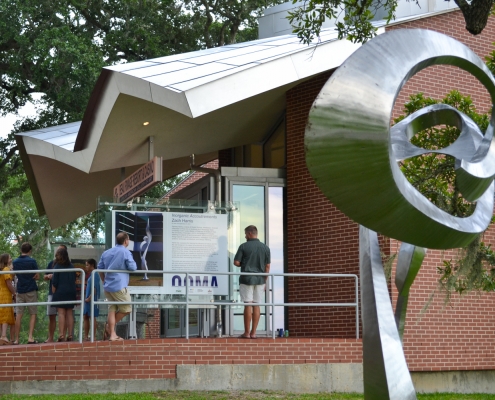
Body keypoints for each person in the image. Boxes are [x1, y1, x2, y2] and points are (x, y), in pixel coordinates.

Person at [98, 232, 137, 341]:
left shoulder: (106, 253)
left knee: (112, 309)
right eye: (128, 239)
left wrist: (104, 280)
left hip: (107, 287)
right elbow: (133, 267)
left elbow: (99, 268)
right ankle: (108, 328)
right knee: (127, 308)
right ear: (126, 241)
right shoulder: (126, 252)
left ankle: (112, 334)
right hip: (119, 286)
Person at [234, 225, 271, 339]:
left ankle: (246, 333)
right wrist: (265, 280)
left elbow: (236, 262)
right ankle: (254, 333)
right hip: (260, 280)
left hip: (247, 278)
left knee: (248, 304)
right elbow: (267, 266)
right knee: (257, 304)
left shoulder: (244, 246)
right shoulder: (265, 248)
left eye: (245, 234)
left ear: (250, 234)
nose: (245, 236)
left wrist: (244, 263)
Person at [12, 242, 39, 345]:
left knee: (19, 315)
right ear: (30, 251)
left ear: (21, 250)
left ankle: (17, 339)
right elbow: (37, 276)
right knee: (33, 313)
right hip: (31, 289)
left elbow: (15, 274)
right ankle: (30, 337)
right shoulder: (32, 261)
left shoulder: (16, 262)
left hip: (20, 290)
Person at [51, 247, 76, 342]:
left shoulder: (57, 267)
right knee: (69, 313)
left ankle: (61, 335)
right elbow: (74, 279)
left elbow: (54, 283)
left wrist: (54, 291)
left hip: (60, 292)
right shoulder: (72, 266)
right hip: (71, 291)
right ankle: (70, 334)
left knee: (61, 314)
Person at [44, 244, 68, 343]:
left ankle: (63, 335)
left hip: (63, 293)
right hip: (52, 293)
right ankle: (50, 337)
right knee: (51, 315)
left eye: (60, 251)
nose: (58, 253)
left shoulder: (68, 265)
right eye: (58, 251)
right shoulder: (52, 263)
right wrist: (49, 276)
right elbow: (44, 277)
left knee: (64, 315)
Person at [83, 258, 100, 341]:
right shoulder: (91, 275)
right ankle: (86, 336)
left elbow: (95, 289)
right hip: (88, 299)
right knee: (86, 316)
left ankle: (93, 336)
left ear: (92, 265)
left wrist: (90, 298)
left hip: (91, 299)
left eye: (87, 265)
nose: (86, 267)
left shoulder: (95, 274)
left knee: (92, 316)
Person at [0, 254, 15, 345]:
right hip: (5, 293)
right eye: (10, 258)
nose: (11, 259)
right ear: (6, 260)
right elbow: (8, 283)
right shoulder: (5, 269)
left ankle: (1, 335)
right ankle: (4, 335)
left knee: (1, 314)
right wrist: (14, 293)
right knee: (5, 313)